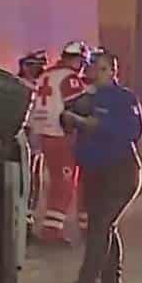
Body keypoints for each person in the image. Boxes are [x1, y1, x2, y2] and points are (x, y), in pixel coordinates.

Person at [59, 51, 142, 283]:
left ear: (111, 70)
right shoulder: (86, 99)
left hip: (121, 172)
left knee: (100, 227)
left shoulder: (123, 99)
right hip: (96, 172)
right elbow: (67, 119)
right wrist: (72, 119)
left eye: (97, 66)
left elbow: (132, 130)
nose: (91, 70)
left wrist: (88, 123)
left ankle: (87, 282)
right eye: (91, 66)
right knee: (103, 226)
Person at [29, 41, 91, 245]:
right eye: (82, 62)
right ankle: (52, 231)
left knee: (40, 182)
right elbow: (78, 106)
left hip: (39, 134)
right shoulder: (70, 78)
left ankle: (43, 226)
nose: (82, 67)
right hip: (59, 136)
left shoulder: (46, 75)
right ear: (77, 59)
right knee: (64, 184)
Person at [18, 50, 48, 231]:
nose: (40, 69)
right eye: (36, 65)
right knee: (27, 176)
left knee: (35, 178)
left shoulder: (37, 85)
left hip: (36, 134)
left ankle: (28, 218)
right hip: (26, 133)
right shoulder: (20, 85)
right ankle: (23, 219)